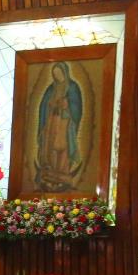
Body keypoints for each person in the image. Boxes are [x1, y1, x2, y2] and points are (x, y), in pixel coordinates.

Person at [36, 61, 84, 191]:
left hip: (64, 124)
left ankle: (62, 177)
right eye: (55, 74)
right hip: (51, 123)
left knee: (63, 149)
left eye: (59, 73)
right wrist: (51, 105)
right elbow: (43, 107)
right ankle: (49, 176)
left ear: (65, 72)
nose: (57, 76)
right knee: (50, 148)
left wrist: (67, 104)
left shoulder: (72, 87)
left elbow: (77, 108)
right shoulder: (51, 89)